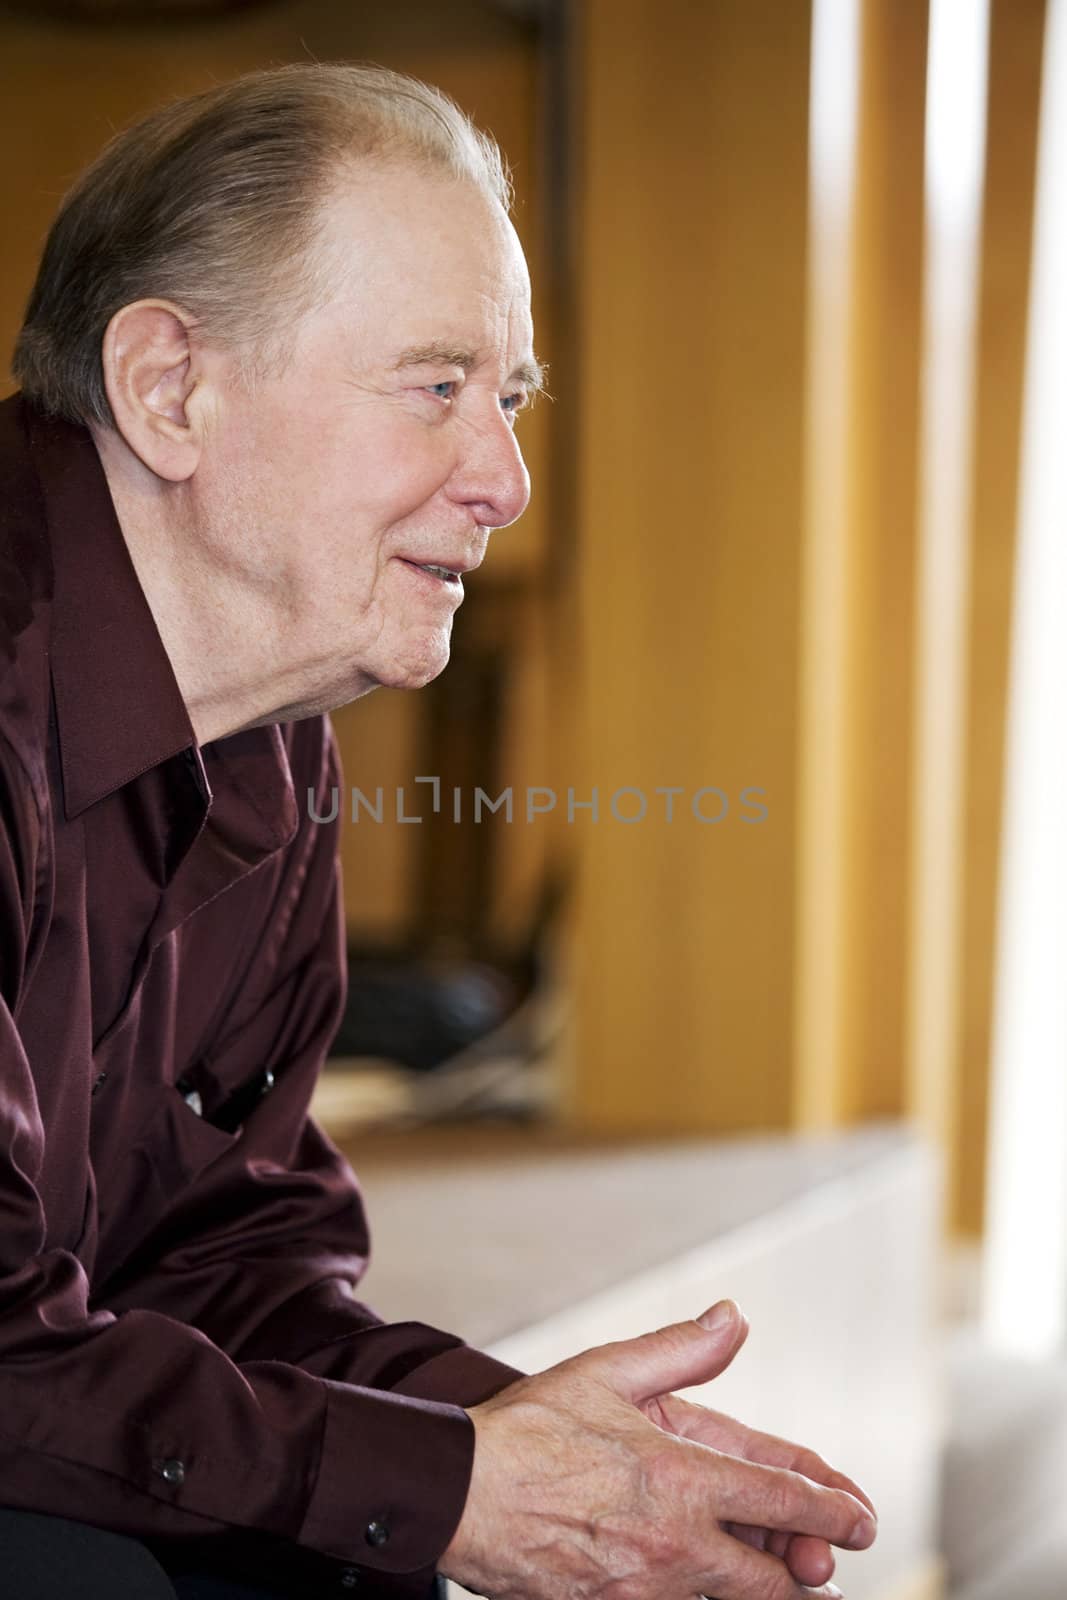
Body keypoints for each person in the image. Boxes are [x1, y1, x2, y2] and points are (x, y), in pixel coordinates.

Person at [0, 63, 878, 1600]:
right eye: (435, 384)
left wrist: (542, 1452)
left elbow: (222, 1266)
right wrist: (451, 1481)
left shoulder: (273, 747)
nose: (506, 481)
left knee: (345, 1550)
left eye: (511, 399)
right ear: (168, 389)